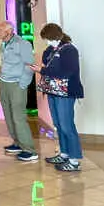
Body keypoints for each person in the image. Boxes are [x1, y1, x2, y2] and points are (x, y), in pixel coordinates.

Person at [31, 23, 83, 172]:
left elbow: (66, 72)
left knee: (67, 125)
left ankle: (74, 160)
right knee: (58, 125)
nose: (47, 42)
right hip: (53, 91)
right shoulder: (50, 50)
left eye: (48, 38)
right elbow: (47, 65)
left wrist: (43, 70)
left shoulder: (69, 50)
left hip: (66, 93)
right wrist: (43, 67)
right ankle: (64, 153)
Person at [0, 21, 38, 163]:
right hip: (4, 83)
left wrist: (22, 85)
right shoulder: (4, 44)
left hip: (16, 85)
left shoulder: (22, 44)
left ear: (9, 30)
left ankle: (29, 150)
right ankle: (17, 143)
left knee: (18, 117)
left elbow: (29, 65)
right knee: (8, 115)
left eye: (0, 30)